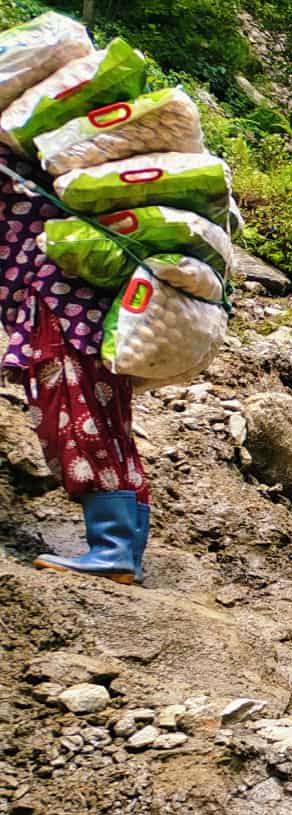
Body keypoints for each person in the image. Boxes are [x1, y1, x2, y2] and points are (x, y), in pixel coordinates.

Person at [9, 150, 150, 584]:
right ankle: (126, 546)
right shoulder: (60, 164)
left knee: (74, 417)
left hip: (60, 303)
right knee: (106, 416)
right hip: (94, 307)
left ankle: (113, 549)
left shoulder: (20, 169)